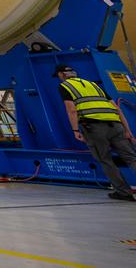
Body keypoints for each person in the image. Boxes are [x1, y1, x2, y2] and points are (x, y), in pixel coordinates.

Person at [56, 64, 136, 201]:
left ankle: (123, 192)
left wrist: (75, 130)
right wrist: (127, 131)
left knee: (105, 160)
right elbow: (117, 109)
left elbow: (72, 110)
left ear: (61, 75)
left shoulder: (65, 86)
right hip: (116, 126)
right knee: (131, 157)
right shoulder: (94, 85)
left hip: (94, 128)